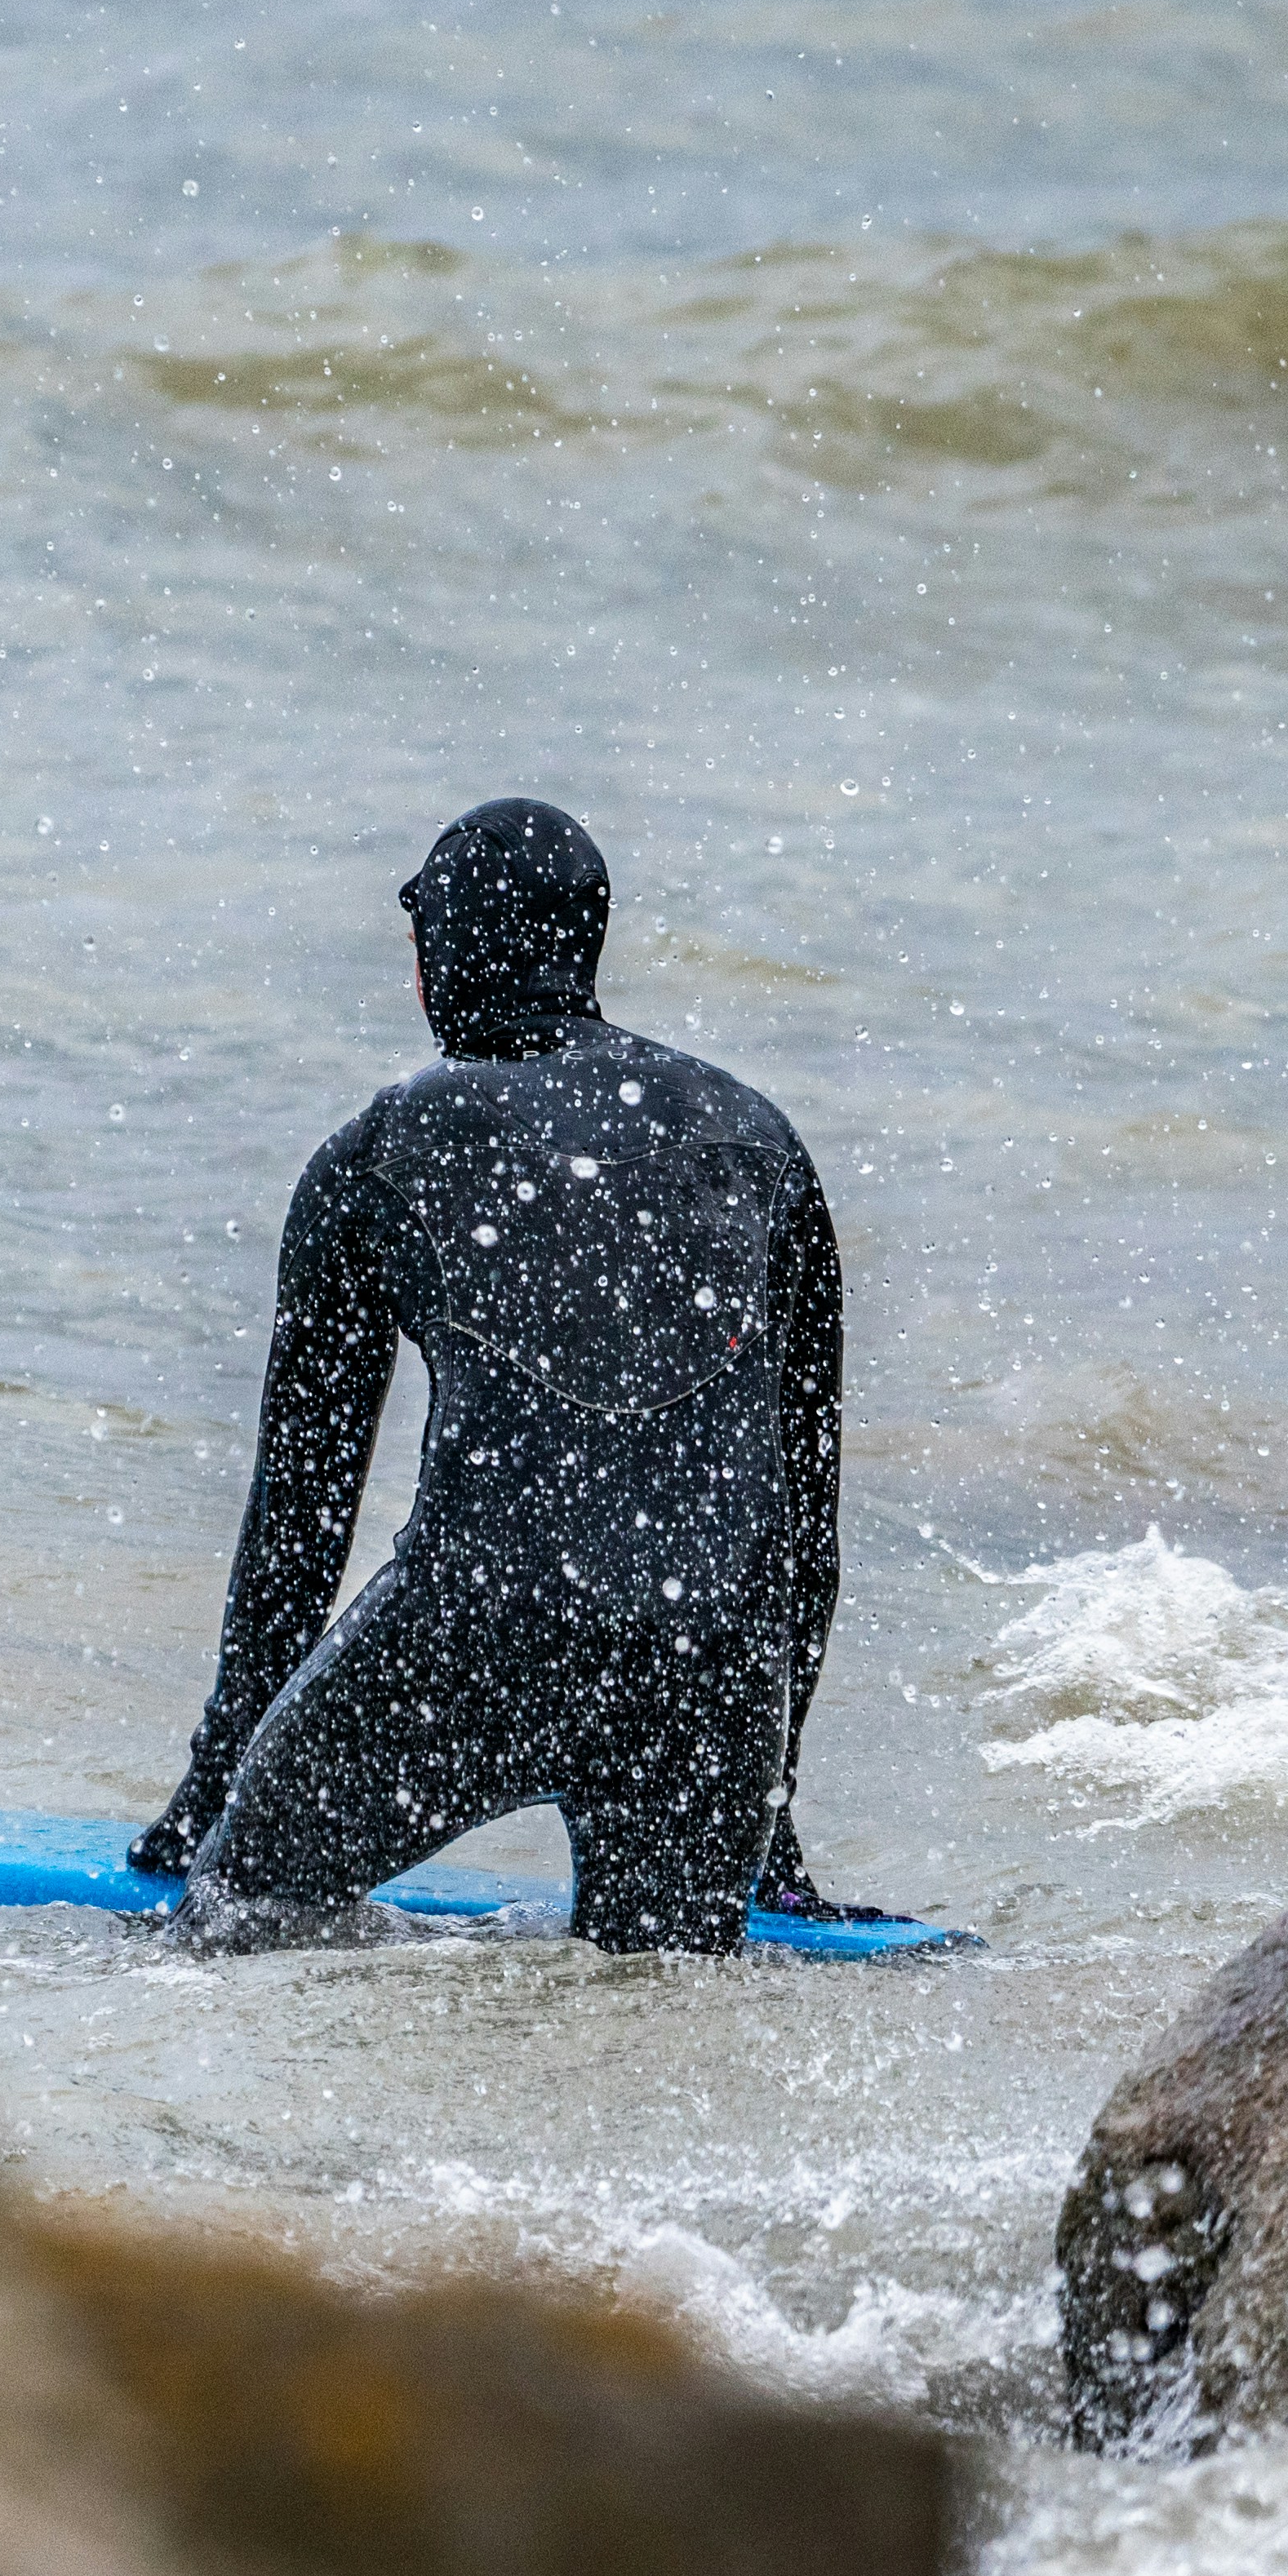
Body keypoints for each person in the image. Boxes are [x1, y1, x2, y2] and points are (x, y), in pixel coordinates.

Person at [128, 797, 874, 1953]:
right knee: (658, 2012)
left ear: (438, 959)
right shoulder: (759, 1139)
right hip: (709, 1682)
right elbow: (803, 1536)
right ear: (584, 948)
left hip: (476, 1638)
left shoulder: (383, 1151)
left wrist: (215, 1802)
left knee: (238, 1926)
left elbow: (303, 1514)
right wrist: (762, 1823)